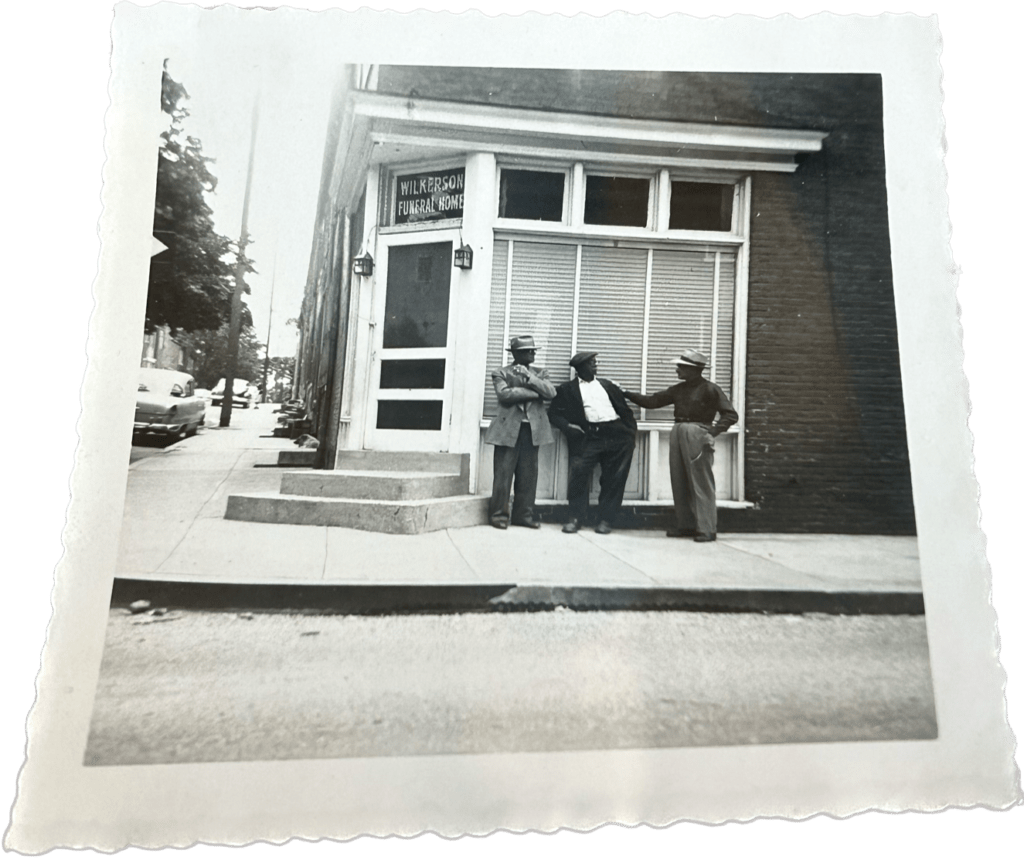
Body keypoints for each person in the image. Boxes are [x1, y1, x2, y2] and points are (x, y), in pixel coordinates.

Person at [623, 349, 738, 542]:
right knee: (679, 479)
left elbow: (730, 415)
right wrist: (624, 393)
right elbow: (652, 402)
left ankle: (707, 528)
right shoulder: (678, 389)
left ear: (694, 369)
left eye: (681, 367)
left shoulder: (711, 389)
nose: (677, 370)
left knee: (701, 482)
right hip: (678, 431)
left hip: (697, 432)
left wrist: (713, 432)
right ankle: (686, 525)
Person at [548, 352, 637, 535]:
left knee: (614, 478)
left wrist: (630, 434)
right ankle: (575, 518)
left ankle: (605, 519)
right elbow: (553, 413)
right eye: (591, 363)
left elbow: (625, 410)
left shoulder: (607, 385)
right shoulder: (567, 389)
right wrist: (568, 427)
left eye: (596, 362)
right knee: (579, 474)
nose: (596, 365)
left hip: (617, 436)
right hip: (588, 437)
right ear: (580, 367)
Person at [484, 335, 557, 529]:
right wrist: (535, 393)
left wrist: (529, 378)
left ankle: (523, 516)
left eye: (534, 350)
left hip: (532, 430)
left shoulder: (540, 373)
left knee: (528, 475)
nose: (533, 353)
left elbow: (550, 393)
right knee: (503, 475)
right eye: (528, 350)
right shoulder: (500, 372)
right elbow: (505, 395)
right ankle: (499, 516)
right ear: (517, 353)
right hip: (507, 429)